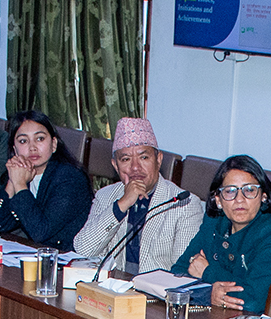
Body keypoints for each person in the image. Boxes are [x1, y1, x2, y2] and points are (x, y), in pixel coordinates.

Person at [73, 117, 204, 276]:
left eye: (144, 157)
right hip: (112, 291)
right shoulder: (105, 196)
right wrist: (121, 205)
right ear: (115, 165)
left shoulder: (184, 204)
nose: (135, 167)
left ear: (158, 160)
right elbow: (83, 251)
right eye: (126, 159)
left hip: (156, 296)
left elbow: (183, 273)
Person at [176, 155, 271, 315]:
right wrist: (208, 293)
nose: (239, 200)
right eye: (230, 191)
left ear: (263, 196)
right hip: (218, 318)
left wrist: (207, 273)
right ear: (218, 200)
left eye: (249, 190)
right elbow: (179, 271)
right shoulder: (214, 220)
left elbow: (254, 301)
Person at [0, 110, 92, 249]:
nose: (32, 147)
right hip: (39, 255)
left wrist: (20, 185)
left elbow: (41, 231)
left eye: (40, 139)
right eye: (23, 141)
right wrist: (12, 182)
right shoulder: (23, 173)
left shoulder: (70, 178)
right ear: (15, 150)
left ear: (53, 144)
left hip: (70, 259)